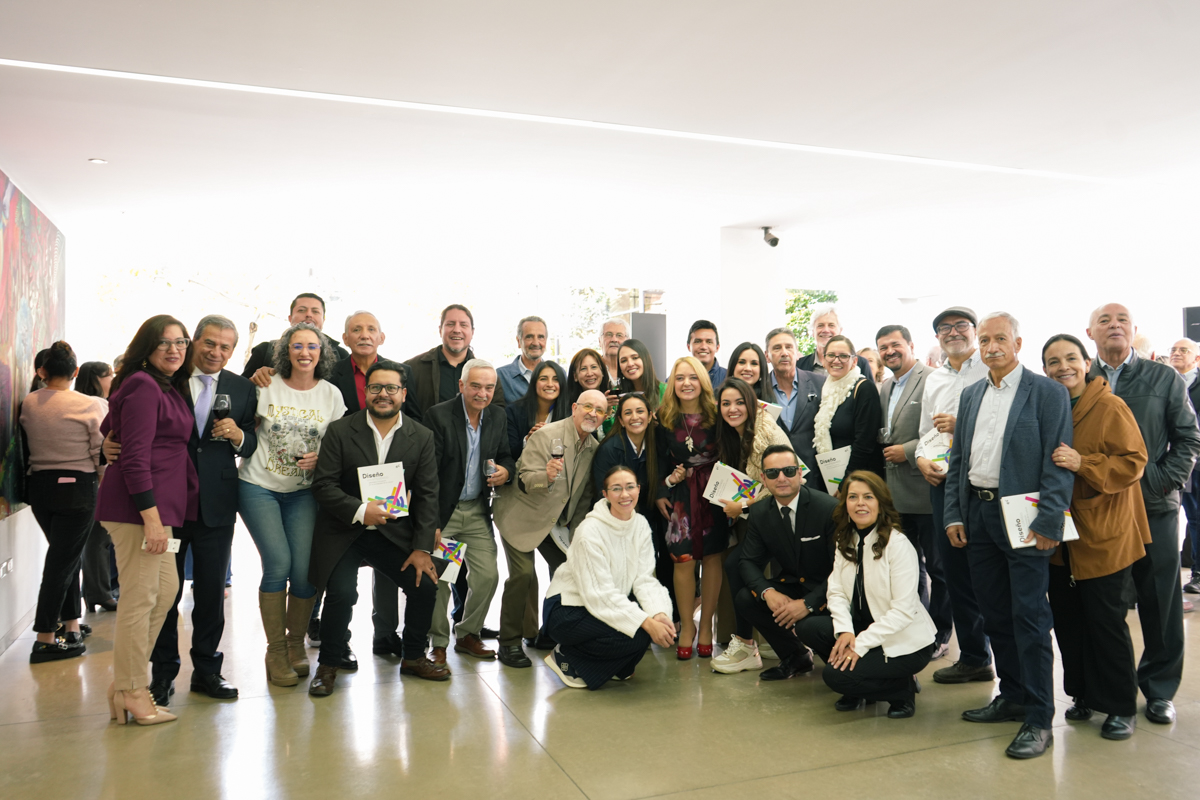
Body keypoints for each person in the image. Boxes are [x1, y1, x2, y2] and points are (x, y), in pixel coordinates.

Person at [943, 311, 1073, 760]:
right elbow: (959, 459)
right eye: (984, 340)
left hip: (1024, 517)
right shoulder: (972, 394)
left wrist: (1050, 520)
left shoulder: (1048, 393)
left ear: (1018, 343)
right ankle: (1012, 695)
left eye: (1000, 338)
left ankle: (1039, 717)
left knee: (1030, 618)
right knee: (995, 614)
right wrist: (954, 514)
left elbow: (1057, 461)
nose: (991, 347)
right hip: (978, 516)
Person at [107, 315, 257, 705]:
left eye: (225, 347)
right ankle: (162, 674)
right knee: (163, 596)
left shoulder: (244, 388)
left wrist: (240, 437)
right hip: (166, 505)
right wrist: (108, 442)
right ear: (195, 342)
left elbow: (254, 439)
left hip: (216, 504)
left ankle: (208, 670)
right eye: (209, 343)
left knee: (211, 593)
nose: (216, 352)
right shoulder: (167, 376)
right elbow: (121, 419)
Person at [1085, 304, 1200, 725]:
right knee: (1104, 603)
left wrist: (1158, 482)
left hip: (1154, 506)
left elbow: (1188, 439)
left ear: (1134, 329)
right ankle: (1106, 689)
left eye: (1122, 320)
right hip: (1098, 507)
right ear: (1090, 332)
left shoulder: (1162, 377)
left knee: (1159, 600)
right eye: (1104, 320)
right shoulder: (1080, 377)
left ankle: (1159, 689)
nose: (1114, 326)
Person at [307, 361, 450, 695]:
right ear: (366, 391)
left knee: (425, 584)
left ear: (403, 393)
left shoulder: (421, 436)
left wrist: (422, 548)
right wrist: (361, 510)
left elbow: (428, 495)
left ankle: (413, 657)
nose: (383, 394)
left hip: (394, 533)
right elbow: (323, 486)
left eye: (391, 388)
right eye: (375, 387)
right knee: (342, 593)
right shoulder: (341, 430)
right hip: (344, 530)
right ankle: (328, 665)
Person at [1042, 334, 1150, 741]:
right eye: (1053, 362)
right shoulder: (1049, 406)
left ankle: (1120, 705)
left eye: (1071, 358)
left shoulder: (1110, 406)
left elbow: (1134, 461)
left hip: (1104, 532)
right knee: (1068, 620)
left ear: (1087, 363)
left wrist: (1083, 462)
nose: (1063, 367)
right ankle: (1082, 693)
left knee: (1105, 622)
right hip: (1059, 534)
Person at [95, 315, 200, 725]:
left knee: (165, 590)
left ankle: (126, 682)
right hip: (139, 510)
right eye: (164, 343)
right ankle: (132, 689)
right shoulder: (143, 384)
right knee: (140, 599)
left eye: (181, 341)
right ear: (147, 347)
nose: (174, 349)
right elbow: (135, 458)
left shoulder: (163, 384)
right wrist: (152, 521)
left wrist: (109, 439)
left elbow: (111, 426)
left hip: (161, 510)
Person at [238, 322, 346, 687]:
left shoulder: (331, 394)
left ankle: (296, 642)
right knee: (278, 565)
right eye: (297, 346)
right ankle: (276, 651)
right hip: (259, 486)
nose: (305, 352)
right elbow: (243, 427)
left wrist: (322, 458)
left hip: (304, 492)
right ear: (286, 351)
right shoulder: (266, 385)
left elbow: (338, 445)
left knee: (303, 573)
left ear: (322, 353)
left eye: (312, 346)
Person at [808, 472, 936, 716]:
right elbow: (836, 592)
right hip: (862, 628)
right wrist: (845, 631)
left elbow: (903, 612)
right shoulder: (845, 539)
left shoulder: (898, 545)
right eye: (853, 497)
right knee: (810, 627)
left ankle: (902, 690)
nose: (860, 503)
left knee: (836, 677)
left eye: (868, 497)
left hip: (904, 641)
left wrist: (859, 645)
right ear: (845, 504)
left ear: (881, 503)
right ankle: (861, 680)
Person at [493, 390, 605, 668]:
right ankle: (509, 642)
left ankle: (549, 631)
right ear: (575, 407)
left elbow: (583, 499)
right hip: (520, 515)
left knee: (571, 570)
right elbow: (524, 478)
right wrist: (547, 476)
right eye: (588, 406)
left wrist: (578, 539)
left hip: (554, 523)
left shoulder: (594, 447)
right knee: (523, 574)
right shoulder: (547, 435)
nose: (593, 413)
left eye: (600, 410)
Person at [914, 307, 995, 686]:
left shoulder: (992, 368)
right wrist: (920, 459)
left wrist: (961, 425)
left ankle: (1006, 662)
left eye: (961, 325)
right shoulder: (935, 379)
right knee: (953, 573)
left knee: (989, 574)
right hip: (944, 486)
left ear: (975, 331)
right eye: (944, 328)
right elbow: (924, 433)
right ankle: (974, 657)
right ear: (937, 337)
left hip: (984, 484)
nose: (953, 332)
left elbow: (1004, 426)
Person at [542, 466, 675, 689]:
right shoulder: (589, 531)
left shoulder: (640, 524)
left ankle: (614, 667)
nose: (625, 494)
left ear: (638, 489)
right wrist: (646, 622)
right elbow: (599, 594)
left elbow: (644, 579)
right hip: (567, 609)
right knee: (638, 632)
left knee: (643, 629)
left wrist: (659, 614)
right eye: (616, 489)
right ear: (605, 494)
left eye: (630, 487)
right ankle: (566, 656)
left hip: (600, 602)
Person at [424, 359, 515, 663]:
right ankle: (438, 643)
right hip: (445, 513)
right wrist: (432, 522)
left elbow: (506, 456)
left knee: (488, 575)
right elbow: (427, 474)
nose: (482, 393)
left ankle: (467, 634)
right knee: (441, 579)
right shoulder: (439, 416)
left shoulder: (497, 416)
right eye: (475, 386)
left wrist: (506, 471)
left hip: (476, 511)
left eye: (489, 387)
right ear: (461, 385)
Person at [21, 342, 105, 663]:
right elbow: (99, 452)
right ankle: (45, 637)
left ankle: (70, 626)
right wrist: (105, 484)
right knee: (61, 561)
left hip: (40, 489)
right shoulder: (89, 404)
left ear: (42, 371)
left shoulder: (30, 402)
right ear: (76, 371)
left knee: (66, 556)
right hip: (77, 490)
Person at [876, 325, 951, 659]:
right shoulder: (885, 386)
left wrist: (906, 451)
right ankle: (917, 629)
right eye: (883, 347)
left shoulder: (932, 379)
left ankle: (941, 633)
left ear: (910, 345)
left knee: (939, 569)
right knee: (908, 569)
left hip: (925, 489)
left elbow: (941, 431)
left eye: (895, 344)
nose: (889, 351)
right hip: (895, 495)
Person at [709, 377, 791, 675]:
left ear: (751, 404)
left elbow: (783, 483)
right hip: (764, 517)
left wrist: (742, 506)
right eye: (726, 403)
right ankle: (763, 640)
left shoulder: (764, 433)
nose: (732, 409)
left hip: (784, 517)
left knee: (737, 566)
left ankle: (746, 645)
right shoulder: (736, 434)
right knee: (739, 567)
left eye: (739, 402)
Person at [735, 445, 837, 680]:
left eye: (789, 471)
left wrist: (809, 604)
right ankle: (795, 657)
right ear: (763, 479)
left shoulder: (827, 508)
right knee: (747, 598)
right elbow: (747, 561)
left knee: (838, 674)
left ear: (800, 473)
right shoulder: (760, 512)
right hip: (795, 585)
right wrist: (768, 593)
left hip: (831, 592)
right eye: (773, 473)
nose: (781, 478)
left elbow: (844, 571)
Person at [657, 356, 726, 659]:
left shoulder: (717, 413)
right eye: (680, 378)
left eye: (693, 377)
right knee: (682, 559)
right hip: (681, 494)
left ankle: (707, 625)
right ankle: (687, 626)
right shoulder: (663, 417)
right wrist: (661, 489)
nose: (686, 383)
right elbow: (657, 459)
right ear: (672, 383)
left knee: (712, 557)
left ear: (703, 381)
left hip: (714, 492)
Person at [592, 393, 674, 618]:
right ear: (620, 420)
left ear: (650, 416)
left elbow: (662, 474)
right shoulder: (610, 449)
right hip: (617, 518)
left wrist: (661, 490)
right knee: (626, 569)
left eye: (640, 411)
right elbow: (603, 494)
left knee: (661, 559)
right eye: (628, 413)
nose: (635, 417)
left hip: (649, 513)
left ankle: (666, 616)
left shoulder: (657, 442)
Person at [404, 304, 506, 417]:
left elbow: (497, 414)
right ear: (440, 330)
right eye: (450, 324)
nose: (457, 330)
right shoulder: (413, 368)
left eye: (463, 325)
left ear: (472, 332)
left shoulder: (487, 374)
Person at [811, 335, 885, 490]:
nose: (836, 360)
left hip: (857, 480)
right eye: (831, 355)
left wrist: (846, 482)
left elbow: (865, 444)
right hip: (831, 478)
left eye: (843, 356)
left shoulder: (864, 389)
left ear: (854, 361)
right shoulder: (826, 390)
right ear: (824, 359)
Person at [75, 360, 118, 613]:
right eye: (108, 375)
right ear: (95, 379)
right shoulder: (97, 404)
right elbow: (100, 447)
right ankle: (99, 593)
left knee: (95, 540)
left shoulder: (82, 402)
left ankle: (94, 592)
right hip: (96, 479)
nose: (113, 379)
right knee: (98, 540)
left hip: (85, 480)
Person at [765, 327, 826, 478]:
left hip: (815, 476)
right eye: (777, 348)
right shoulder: (758, 391)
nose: (784, 353)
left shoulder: (820, 384)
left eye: (789, 347)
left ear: (797, 353)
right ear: (767, 356)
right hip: (775, 477)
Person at [242, 292, 349, 377]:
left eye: (315, 311)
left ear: (323, 320)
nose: (309, 315)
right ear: (290, 318)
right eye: (301, 310)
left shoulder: (341, 355)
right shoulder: (265, 351)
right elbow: (243, 390)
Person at [1167, 338, 1200, 593]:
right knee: (1169, 519)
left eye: (1183, 350)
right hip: (1168, 464)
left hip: (1196, 464)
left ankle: (1198, 573)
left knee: (1197, 518)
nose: (1176, 353)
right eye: (1174, 350)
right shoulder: (1165, 381)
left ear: (1197, 358)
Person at [507, 360, 569, 463]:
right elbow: (509, 454)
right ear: (534, 383)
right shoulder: (513, 411)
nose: (550, 384)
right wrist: (527, 440)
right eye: (543, 379)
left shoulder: (570, 413)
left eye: (556, 379)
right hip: (524, 470)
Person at [796, 304, 872, 376]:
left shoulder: (860, 364)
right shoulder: (799, 365)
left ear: (840, 331)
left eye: (831, 325)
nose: (826, 330)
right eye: (820, 325)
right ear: (813, 332)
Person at [496, 316, 547, 401]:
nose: (535, 343)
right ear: (519, 341)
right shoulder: (501, 376)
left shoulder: (557, 374)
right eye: (529, 337)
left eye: (541, 337)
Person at [568, 347, 615, 436]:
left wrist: (608, 412)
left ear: (603, 372)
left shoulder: (614, 401)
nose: (589, 373)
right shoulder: (567, 405)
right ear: (575, 376)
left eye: (594, 367)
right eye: (583, 369)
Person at [616, 338, 665, 413]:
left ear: (645, 359)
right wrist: (609, 410)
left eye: (635, 358)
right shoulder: (617, 395)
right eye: (624, 360)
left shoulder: (666, 391)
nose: (630, 364)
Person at [688, 320, 726, 387]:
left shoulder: (729, 377)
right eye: (698, 341)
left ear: (717, 347)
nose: (703, 347)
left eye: (709, 342)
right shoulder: (675, 379)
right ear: (689, 347)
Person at [598, 317, 630, 385]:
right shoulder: (592, 371)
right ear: (599, 341)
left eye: (619, 335)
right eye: (609, 335)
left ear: (628, 341)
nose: (614, 340)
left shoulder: (632, 369)